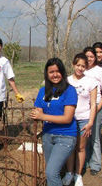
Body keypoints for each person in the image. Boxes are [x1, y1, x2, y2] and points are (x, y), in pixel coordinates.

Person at [30, 58, 78, 186]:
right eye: (51, 72)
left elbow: (67, 118)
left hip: (66, 136)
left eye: (57, 71)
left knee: (51, 173)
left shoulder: (70, 90)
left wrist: (42, 115)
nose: (55, 74)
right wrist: (36, 114)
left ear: (62, 72)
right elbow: (38, 110)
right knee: (52, 171)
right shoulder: (43, 91)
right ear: (47, 74)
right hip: (48, 136)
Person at [63, 53, 97, 186]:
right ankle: (69, 173)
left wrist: (90, 122)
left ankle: (78, 175)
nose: (80, 68)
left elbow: (93, 104)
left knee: (81, 148)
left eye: (83, 66)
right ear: (73, 65)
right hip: (69, 119)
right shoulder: (66, 81)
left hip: (83, 119)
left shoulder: (91, 82)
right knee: (69, 147)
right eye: (78, 65)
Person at [83, 47, 102, 175]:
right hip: (84, 106)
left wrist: (99, 107)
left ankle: (95, 164)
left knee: (94, 135)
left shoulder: (100, 71)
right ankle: (84, 161)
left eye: (91, 56)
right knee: (84, 134)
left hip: (97, 105)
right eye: (87, 56)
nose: (89, 59)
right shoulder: (81, 70)